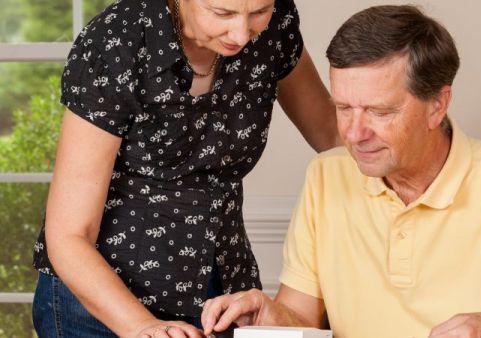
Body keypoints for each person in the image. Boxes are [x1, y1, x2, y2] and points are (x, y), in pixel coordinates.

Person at [199, 5, 481, 338]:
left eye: (379, 111)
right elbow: (301, 317)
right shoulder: (326, 177)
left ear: (437, 105)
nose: (353, 133)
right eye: (343, 108)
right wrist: (271, 318)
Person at [31, 0, 338, 336]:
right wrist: (141, 325)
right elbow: (67, 234)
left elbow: (334, 134)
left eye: (259, 12)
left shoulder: (275, 26)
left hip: (219, 289)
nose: (242, 33)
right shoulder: (117, 40)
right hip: (101, 301)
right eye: (222, 13)